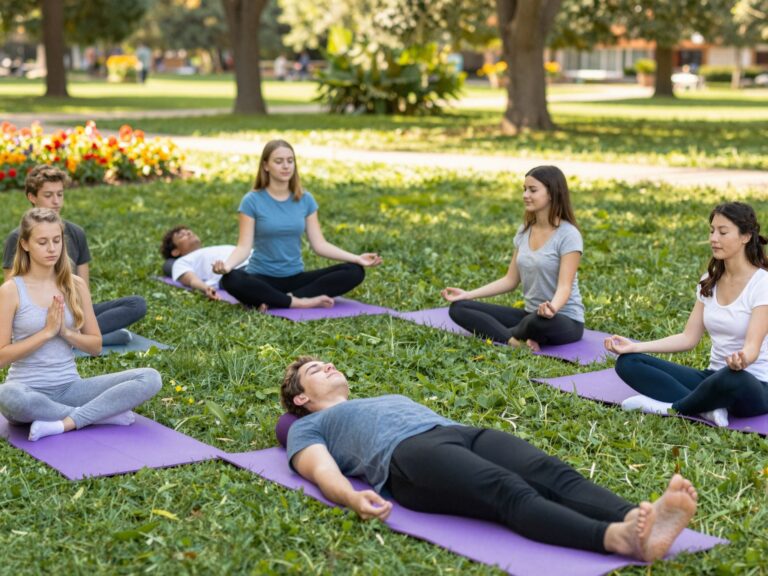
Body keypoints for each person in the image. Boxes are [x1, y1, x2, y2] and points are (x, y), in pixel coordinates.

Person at [280, 356, 698, 561]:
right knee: (508, 491)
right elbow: (322, 472)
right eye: (316, 369)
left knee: (550, 471)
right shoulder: (306, 427)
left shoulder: (374, 397)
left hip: (457, 432)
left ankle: (638, 517)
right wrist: (352, 498)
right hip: (408, 458)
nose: (329, 365)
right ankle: (617, 538)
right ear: (301, 397)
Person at [0, 209, 162, 442]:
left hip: (71, 389)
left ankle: (64, 423)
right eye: (42, 242)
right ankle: (98, 417)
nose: (52, 248)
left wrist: (65, 332)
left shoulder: (75, 285)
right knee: (7, 395)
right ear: (25, 244)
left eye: (56, 241)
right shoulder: (11, 290)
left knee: (150, 377)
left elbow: (95, 346)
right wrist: (46, 333)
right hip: (27, 391)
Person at [605, 202, 768, 428]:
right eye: (712, 231)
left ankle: (673, 408)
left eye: (723, 232)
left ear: (746, 237)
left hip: (752, 384)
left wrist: (742, 359)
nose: (713, 238)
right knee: (628, 363)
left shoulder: (762, 284)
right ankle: (707, 406)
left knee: (731, 377)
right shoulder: (709, 281)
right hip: (711, 378)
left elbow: (752, 346)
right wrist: (634, 346)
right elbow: (688, 338)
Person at [212, 140, 382, 310]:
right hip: (261, 278)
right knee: (230, 279)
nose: (286, 166)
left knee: (354, 271)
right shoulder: (251, 201)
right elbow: (243, 247)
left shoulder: (305, 200)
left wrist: (357, 258)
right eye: (278, 161)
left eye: (290, 160)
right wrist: (226, 266)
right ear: (266, 166)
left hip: (296, 280)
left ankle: (277, 300)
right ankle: (299, 302)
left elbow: (319, 245)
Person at [442, 166, 584, 351]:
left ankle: (505, 333)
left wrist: (552, 308)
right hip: (529, 315)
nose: (526, 195)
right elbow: (510, 280)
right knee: (459, 308)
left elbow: (565, 286)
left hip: (563, 319)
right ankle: (515, 341)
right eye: (524, 189)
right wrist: (468, 294)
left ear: (552, 193)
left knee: (536, 322)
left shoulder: (568, 235)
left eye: (533, 190)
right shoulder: (525, 230)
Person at [3, 165, 147, 346]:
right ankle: (82, 338)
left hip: (72, 308)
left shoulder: (76, 232)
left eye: (60, 194)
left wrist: (76, 316)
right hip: (36, 314)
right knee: (119, 337)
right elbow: (12, 288)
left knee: (137, 304)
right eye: (48, 195)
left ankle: (73, 336)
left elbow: (82, 286)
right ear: (32, 197)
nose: (56, 201)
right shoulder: (19, 237)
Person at [159, 226, 251, 300]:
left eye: (188, 231)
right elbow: (192, 280)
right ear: (175, 252)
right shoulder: (180, 262)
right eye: (181, 235)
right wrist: (206, 289)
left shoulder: (208, 250)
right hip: (239, 270)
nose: (188, 233)